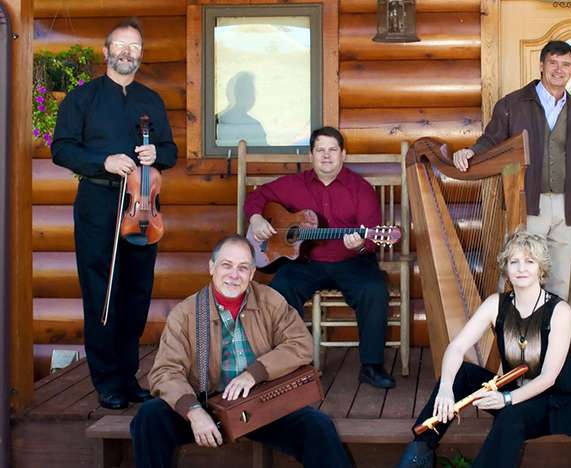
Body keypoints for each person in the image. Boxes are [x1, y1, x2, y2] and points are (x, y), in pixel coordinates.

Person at [130, 235, 351, 467]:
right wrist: (194, 412)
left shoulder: (271, 300)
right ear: (212, 267)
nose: (234, 275)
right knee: (149, 417)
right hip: (206, 406)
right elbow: (166, 371)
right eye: (227, 265)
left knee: (318, 426)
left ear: (252, 273)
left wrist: (254, 373)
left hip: (260, 403)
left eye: (243, 268)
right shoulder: (185, 314)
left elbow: (301, 344)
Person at [51, 18, 178, 409]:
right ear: (106, 52)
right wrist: (102, 161)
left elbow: (171, 152)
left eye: (135, 47)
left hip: (142, 210)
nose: (127, 53)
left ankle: (127, 377)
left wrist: (158, 154)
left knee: (136, 293)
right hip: (99, 204)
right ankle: (106, 381)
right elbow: (62, 149)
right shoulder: (82, 98)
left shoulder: (151, 101)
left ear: (141, 55)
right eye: (121, 46)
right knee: (101, 292)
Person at [396, 229, 571, 468]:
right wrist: (445, 387)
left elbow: (549, 377)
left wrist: (506, 399)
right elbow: (456, 347)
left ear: (541, 268)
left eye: (530, 261)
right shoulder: (496, 304)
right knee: (462, 372)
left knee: (510, 415)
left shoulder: (559, 311)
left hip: (554, 403)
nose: (521, 268)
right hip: (512, 389)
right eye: (513, 261)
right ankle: (420, 453)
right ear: (506, 268)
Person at [452, 40, 571, 300]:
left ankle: (552, 338)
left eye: (566, 65)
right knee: (519, 275)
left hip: (567, 207)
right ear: (541, 66)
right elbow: (492, 141)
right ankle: (515, 335)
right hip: (527, 202)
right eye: (553, 63)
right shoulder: (513, 105)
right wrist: (472, 152)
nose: (559, 70)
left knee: (559, 280)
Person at [244, 126, 396, 389]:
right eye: (320, 150)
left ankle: (371, 366)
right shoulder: (292, 185)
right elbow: (257, 197)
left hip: (352, 262)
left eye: (332, 150)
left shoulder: (360, 189)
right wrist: (256, 218)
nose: (326, 156)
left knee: (374, 290)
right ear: (311, 155)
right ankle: (286, 364)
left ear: (343, 154)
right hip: (306, 263)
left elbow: (370, 242)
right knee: (279, 290)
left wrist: (359, 244)